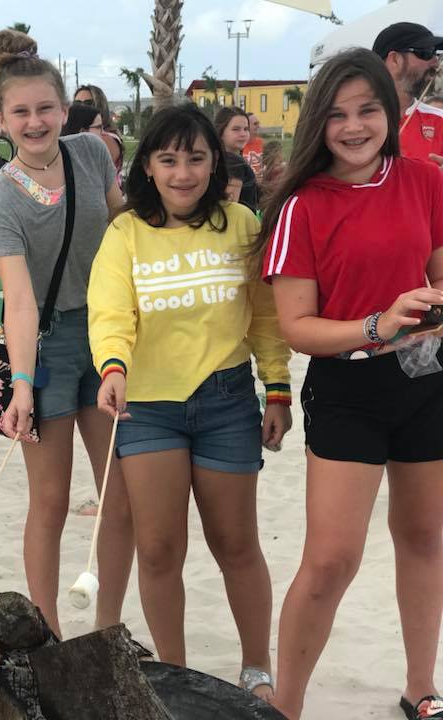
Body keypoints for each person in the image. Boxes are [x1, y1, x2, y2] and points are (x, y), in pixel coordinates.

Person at [259, 48, 443, 720]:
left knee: (425, 538)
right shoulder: (302, 206)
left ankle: (421, 687)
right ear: (317, 123)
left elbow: (438, 271)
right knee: (333, 559)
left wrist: (432, 305)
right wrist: (378, 324)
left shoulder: (424, 181)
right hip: (347, 388)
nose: (355, 126)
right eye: (337, 114)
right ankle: (287, 704)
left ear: (389, 112)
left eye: (368, 109)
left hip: (427, 380)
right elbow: (298, 328)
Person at [87, 103, 292, 700]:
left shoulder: (241, 224)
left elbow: (265, 316)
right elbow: (110, 312)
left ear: (214, 163)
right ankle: (173, 675)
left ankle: (256, 667)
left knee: (235, 543)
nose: (183, 173)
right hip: (146, 407)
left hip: (227, 401)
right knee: (158, 548)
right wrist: (114, 366)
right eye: (169, 159)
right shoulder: (125, 232)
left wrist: (276, 387)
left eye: (196, 158)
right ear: (147, 165)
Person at [0, 29, 134, 637]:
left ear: (64, 107)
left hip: (107, 332)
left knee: (115, 497)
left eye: (45, 107)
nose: (35, 120)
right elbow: (16, 301)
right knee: (49, 501)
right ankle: (44, 632)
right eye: (20, 111)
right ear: (2, 120)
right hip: (43, 346)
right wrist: (20, 384)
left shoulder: (92, 154)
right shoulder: (1, 201)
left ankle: (108, 628)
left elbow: (123, 225)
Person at [374, 22, 443, 164]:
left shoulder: (440, 121)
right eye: (426, 53)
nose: (436, 62)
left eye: (436, 54)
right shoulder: (353, 120)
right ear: (395, 60)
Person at [74, 84, 125, 180]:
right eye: (77, 103)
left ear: (100, 105)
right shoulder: (82, 134)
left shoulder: (107, 139)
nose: (82, 107)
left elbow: (88, 175)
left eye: (88, 103)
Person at [215, 106, 259, 212]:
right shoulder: (234, 162)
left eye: (246, 129)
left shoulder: (216, 158)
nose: (243, 134)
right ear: (221, 132)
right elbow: (231, 205)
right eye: (236, 129)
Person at [242, 112, 264, 182]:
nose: (258, 126)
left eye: (258, 123)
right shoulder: (240, 146)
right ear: (247, 127)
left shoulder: (261, 143)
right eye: (255, 124)